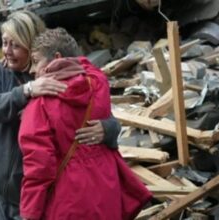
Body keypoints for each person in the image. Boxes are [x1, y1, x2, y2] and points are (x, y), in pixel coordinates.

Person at [0, 11, 121, 220]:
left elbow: (91, 112)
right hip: (0, 182)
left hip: (34, 190)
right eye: (4, 43)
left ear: (31, 45)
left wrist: (109, 128)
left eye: (15, 45)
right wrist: (26, 90)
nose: (7, 52)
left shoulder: (58, 76)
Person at [18, 27, 152, 220]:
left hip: (68, 200)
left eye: (36, 61)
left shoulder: (40, 104)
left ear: (56, 58)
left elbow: (39, 165)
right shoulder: (98, 84)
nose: (31, 70)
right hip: (107, 189)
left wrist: (30, 212)